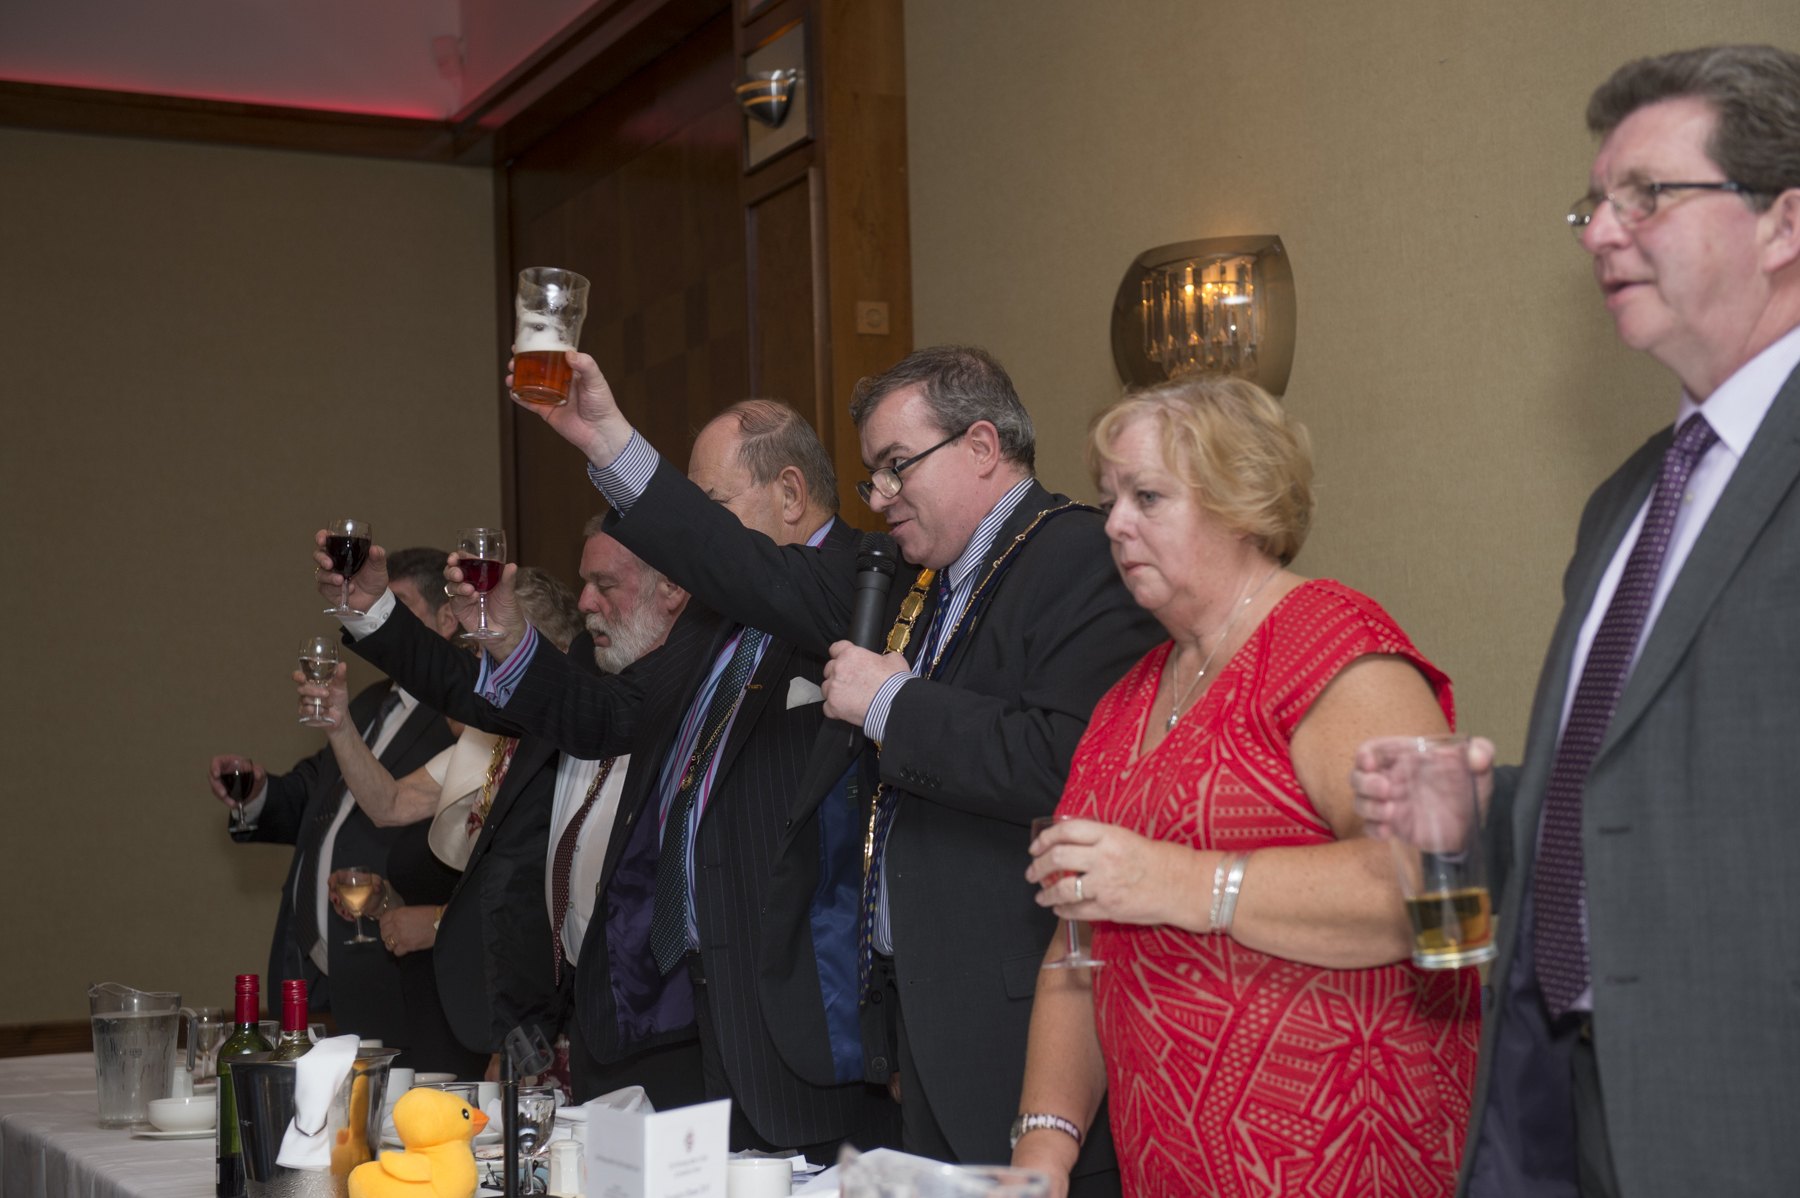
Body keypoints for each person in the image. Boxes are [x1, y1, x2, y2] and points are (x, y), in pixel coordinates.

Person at [517, 345, 1163, 1182]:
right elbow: (734, 561)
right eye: (872, 475)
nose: (880, 495)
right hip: (919, 1022)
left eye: (897, 466)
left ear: (980, 446)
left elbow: (1064, 762)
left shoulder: (1077, 554)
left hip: (1023, 1021)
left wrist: (892, 704)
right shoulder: (908, 581)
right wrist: (607, 441)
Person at [1351, 44, 1800, 1198]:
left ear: (1784, 221)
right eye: (1594, 203)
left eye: (1647, 196)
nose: (1601, 232)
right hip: (1571, 1105)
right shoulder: (1632, 498)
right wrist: (1489, 816)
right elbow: (1645, 795)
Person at [1010, 377, 1477, 1197]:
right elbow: (1075, 948)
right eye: (1110, 501)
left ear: (1242, 503)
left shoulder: (1336, 643)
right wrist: (1043, 1149)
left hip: (1345, 1157)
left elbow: (1440, 895)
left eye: (1147, 497)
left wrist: (1180, 881)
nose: (1113, 525)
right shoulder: (1124, 702)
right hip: (1172, 1168)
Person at [447, 401, 896, 1155]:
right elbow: (608, 715)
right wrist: (506, 636)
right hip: (704, 1011)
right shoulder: (715, 619)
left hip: (810, 1019)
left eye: (708, 506)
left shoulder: (858, 582)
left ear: (790, 493)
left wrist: (609, 444)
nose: (693, 533)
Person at [299, 566, 584, 1077]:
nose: (477, 668)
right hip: (471, 997)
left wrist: (434, 922)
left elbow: (541, 897)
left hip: (540, 1006)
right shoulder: (485, 743)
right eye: (476, 653)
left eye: (490, 652)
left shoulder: (574, 746)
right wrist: (339, 725)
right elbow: (390, 804)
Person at [211, 547, 457, 1060]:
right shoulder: (368, 703)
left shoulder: (459, 720)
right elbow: (317, 796)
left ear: (447, 619)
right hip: (307, 956)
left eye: (399, 608)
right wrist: (258, 794)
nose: (384, 623)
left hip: (390, 965)